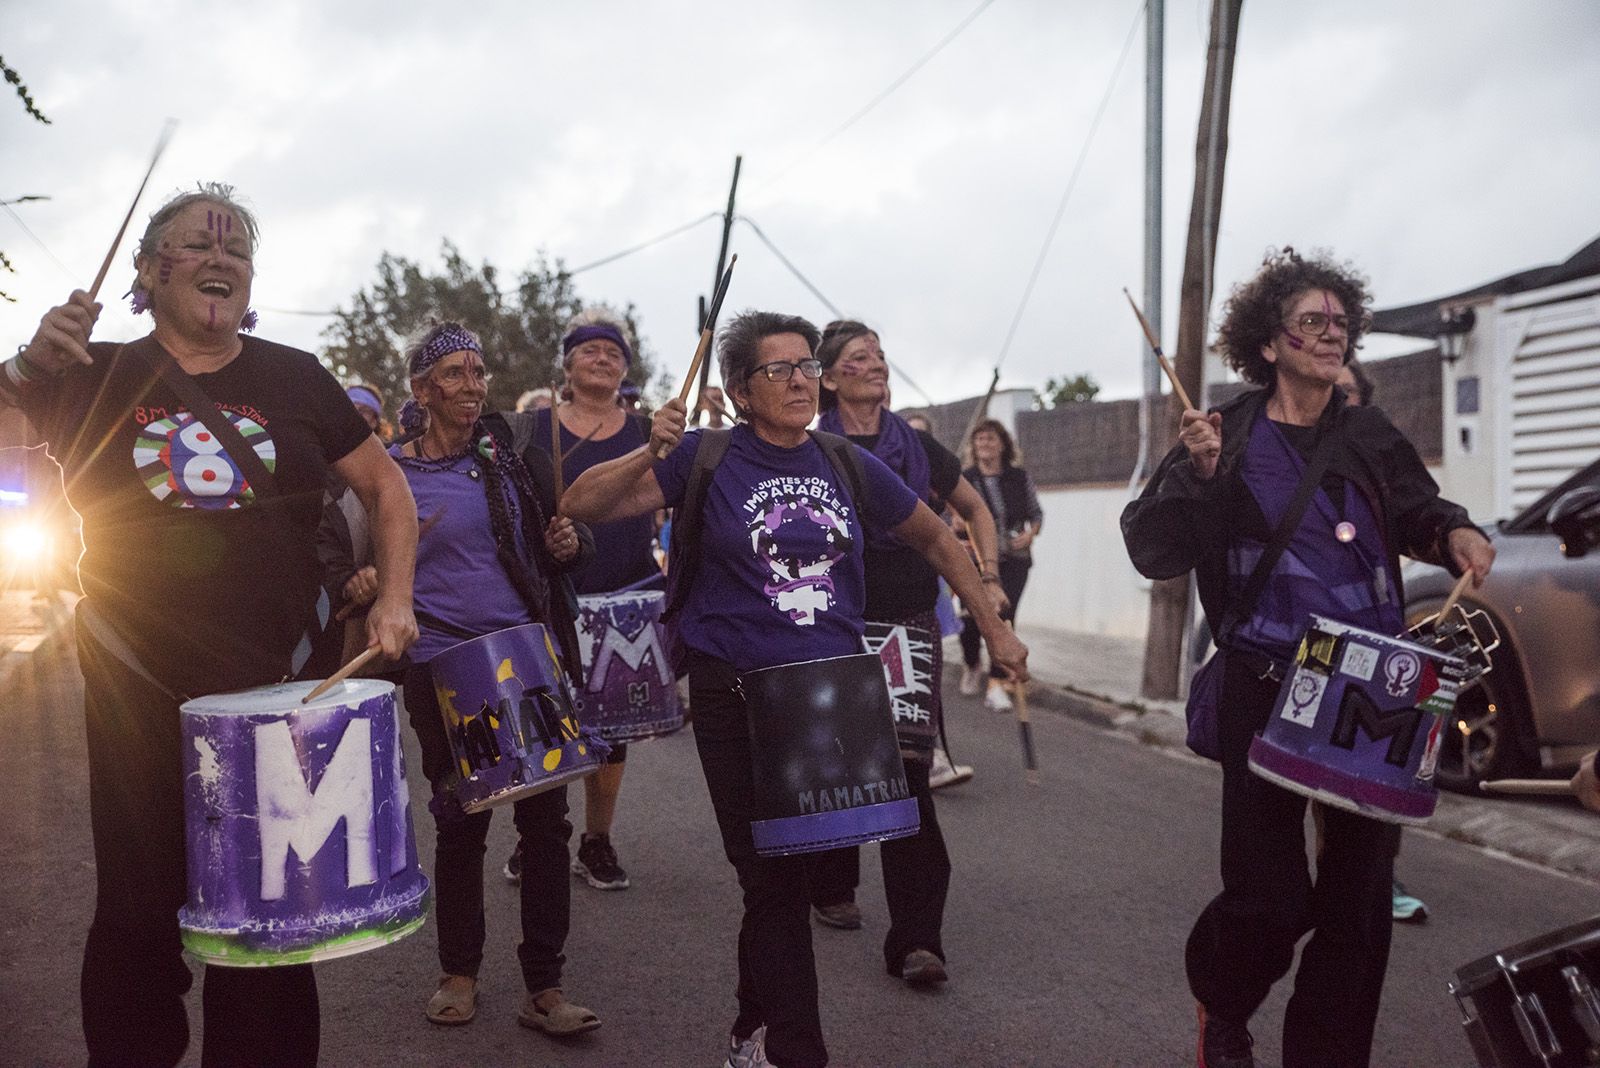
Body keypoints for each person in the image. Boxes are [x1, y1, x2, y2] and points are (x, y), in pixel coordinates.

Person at [2, 183, 419, 1068]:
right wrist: (28, 368)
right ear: (147, 273)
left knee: (269, 921)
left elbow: (387, 487)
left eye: (235, 248)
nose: (219, 257)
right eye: (196, 245)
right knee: (137, 916)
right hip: (134, 689)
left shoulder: (295, 376)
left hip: (277, 690)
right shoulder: (92, 372)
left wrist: (395, 599)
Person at [561, 310, 1028, 1068]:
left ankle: (751, 1031)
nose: (801, 381)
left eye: (807, 366)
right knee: (770, 878)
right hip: (734, 693)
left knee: (785, 878)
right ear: (741, 390)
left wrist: (995, 627)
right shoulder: (706, 458)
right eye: (779, 370)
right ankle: (795, 1049)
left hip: (827, 698)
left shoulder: (843, 461)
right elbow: (581, 503)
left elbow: (939, 536)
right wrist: (646, 452)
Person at [1121, 247, 1495, 1068]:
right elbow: (1152, 549)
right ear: (1268, 342)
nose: (1333, 336)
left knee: (1359, 907)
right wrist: (1201, 474)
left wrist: (1453, 530)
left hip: (1372, 692)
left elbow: (1417, 507)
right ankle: (1223, 1005)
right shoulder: (1221, 433)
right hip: (1267, 685)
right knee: (1269, 899)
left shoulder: (1365, 432)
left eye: (1341, 324)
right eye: (1312, 324)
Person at [387, 319, 602, 1037]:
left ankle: (545, 985)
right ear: (422, 390)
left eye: (479, 375)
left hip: (527, 656)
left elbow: (557, 545)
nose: (474, 388)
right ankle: (459, 973)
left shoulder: (508, 459)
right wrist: (365, 585)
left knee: (546, 825)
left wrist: (568, 544)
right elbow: (360, 562)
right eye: (456, 375)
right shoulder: (392, 474)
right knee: (461, 820)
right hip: (442, 665)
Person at [802, 319, 1002, 974]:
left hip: (908, 624)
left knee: (909, 772)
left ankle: (917, 938)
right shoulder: (808, 446)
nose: (877, 365)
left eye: (881, 356)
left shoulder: (918, 448)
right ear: (829, 377)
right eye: (860, 358)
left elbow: (974, 510)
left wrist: (990, 583)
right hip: (830, 623)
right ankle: (832, 881)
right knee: (836, 762)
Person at [505, 309, 659, 893]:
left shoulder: (647, 433)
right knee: (548, 723)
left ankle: (597, 839)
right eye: (590, 350)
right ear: (567, 366)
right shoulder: (530, 427)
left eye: (613, 352)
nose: (603, 358)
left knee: (612, 733)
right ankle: (539, 835)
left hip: (627, 596)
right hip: (550, 598)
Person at [1329, 358, 1428, 925]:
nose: (1336, 401)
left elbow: (1419, 514)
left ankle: (1376, 880)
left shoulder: (1381, 462)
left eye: (1347, 393)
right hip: (1312, 649)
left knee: (1372, 776)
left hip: (1376, 644)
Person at [902, 410, 974, 790]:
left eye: (921, 435)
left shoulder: (931, 477)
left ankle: (932, 756)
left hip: (926, 585)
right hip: (885, 592)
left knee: (926, 672)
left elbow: (963, 518)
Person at [957, 419, 1042, 711]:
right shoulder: (964, 478)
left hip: (1015, 560)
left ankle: (996, 684)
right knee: (969, 622)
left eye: (991, 439)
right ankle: (971, 662)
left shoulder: (1019, 477)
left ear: (1002, 444)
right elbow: (950, 519)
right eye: (979, 439)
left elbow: (1036, 513)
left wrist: (1031, 534)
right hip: (975, 561)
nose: (985, 444)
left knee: (1005, 615)